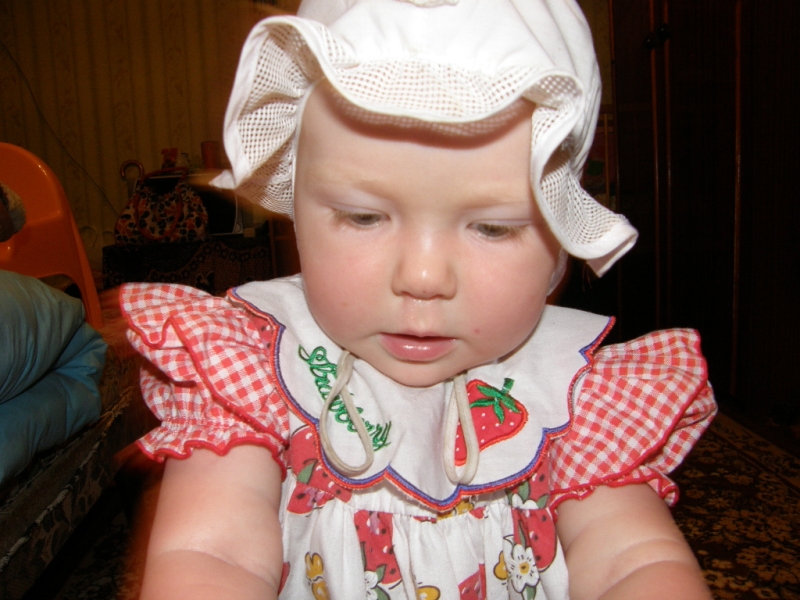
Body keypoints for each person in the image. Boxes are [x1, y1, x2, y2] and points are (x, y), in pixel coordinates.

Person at [122, 1, 717, 598]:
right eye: (363, 216)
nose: (423, 276)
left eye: (492, 228)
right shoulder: (256, 366)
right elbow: (212, 554)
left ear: (561, 243)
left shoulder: (573, 390)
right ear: (295, 211)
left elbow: (632, 562)